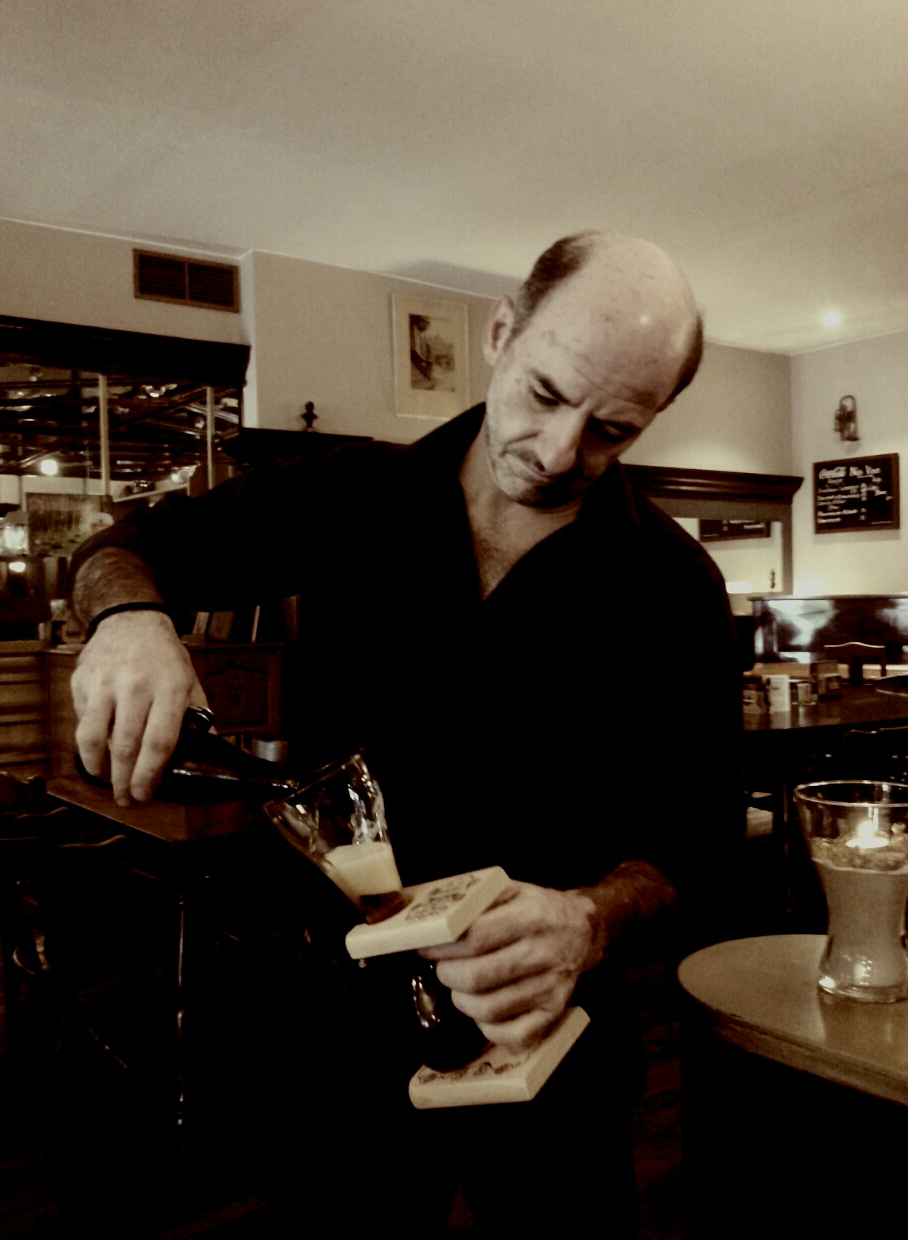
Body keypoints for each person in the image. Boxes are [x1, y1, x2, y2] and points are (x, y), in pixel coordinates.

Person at [69, 232, 741, 1232]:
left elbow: (695, 843)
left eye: (611, 430)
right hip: (341, 1020)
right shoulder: (353, 492)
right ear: (501, 332)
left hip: (549, 1026)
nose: (560, 453)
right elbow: (124, 546)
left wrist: (591, 919)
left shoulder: (674, 586)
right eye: (546, 394)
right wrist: (128, 619)